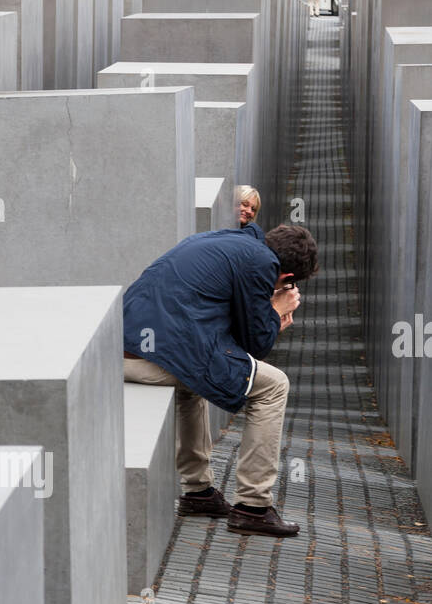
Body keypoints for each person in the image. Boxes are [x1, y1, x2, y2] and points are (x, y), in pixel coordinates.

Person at [123, 223, 319, 538]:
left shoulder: (229, 241)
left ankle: (198, 493)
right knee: (274, 385)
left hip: (125, 350)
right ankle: (253, 507)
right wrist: (276, 310)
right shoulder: (263, 264)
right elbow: (255, 346)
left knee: (193, 385)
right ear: (288, 278)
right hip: (155, 358)